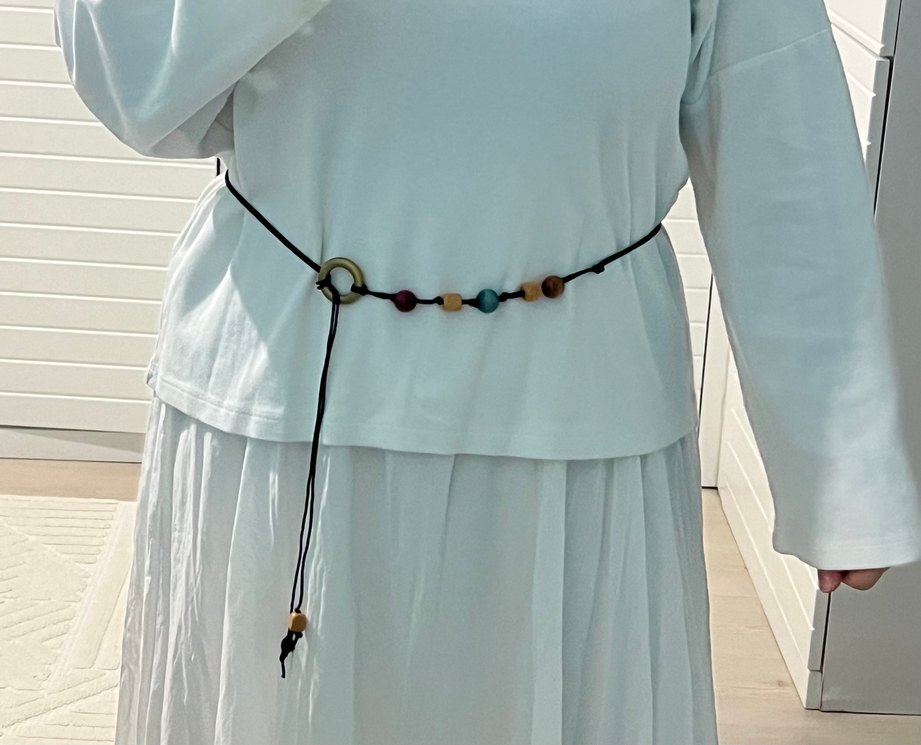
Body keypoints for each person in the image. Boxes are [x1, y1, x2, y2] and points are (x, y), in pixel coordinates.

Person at [53, 0, 921, 742]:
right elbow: (132, 82)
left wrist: (841, 470)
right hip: (287, 417)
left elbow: (775, 129)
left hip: (577, 427)